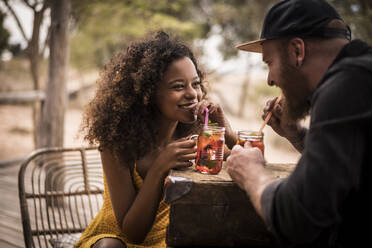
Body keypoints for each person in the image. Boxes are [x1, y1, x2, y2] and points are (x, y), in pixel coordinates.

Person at [226, 0, 372, 247]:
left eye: (269, 62)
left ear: (297, 51)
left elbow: (296, 219)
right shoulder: (360, 76)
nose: (270, 79)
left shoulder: (346, 86)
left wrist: (252, 173)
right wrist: (296, 135)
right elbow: (345, 166)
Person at [75, 31, 234, 248]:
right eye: (178, 86)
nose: (192, 94)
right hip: (117, 236)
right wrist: (160, 167)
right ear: (148, 94)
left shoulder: (199, 135)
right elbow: (133, 233)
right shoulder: (118, 144)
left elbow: (250, 167)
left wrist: (228, 132)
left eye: (195, 84)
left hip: (172, 238)